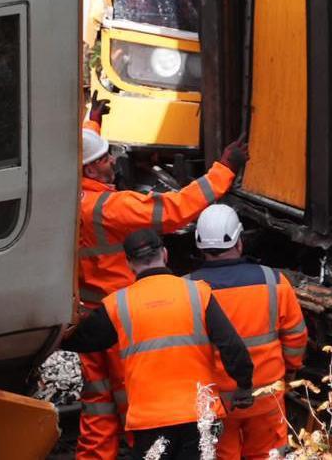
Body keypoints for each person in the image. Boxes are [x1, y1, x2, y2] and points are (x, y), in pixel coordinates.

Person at [75, 121, 248, 459]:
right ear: (91, 166)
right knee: (136, 398)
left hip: (93, 318)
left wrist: (91, 124)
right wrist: (224, 169)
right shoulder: (111, 208)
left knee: (97, 407)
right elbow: (174, 210)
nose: (113, 160)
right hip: (128, 320)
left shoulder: (70, 197)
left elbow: (76, 148)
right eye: (106, 156)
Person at [64, 229, 255, 460]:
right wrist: (244, 385)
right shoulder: (197, 293)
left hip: (151, 423)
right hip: (200, 416)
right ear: (165, 254)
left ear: (129, 264)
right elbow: (231, 345)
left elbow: (82, 340)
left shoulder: (118, 304)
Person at [187, 205, 308, 460]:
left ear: (199, 244)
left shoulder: (186, 290)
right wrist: (291, 368)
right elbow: (296, 336)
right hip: (265, 397)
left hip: (213, 402)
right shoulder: (273, 281)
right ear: (239, 242)